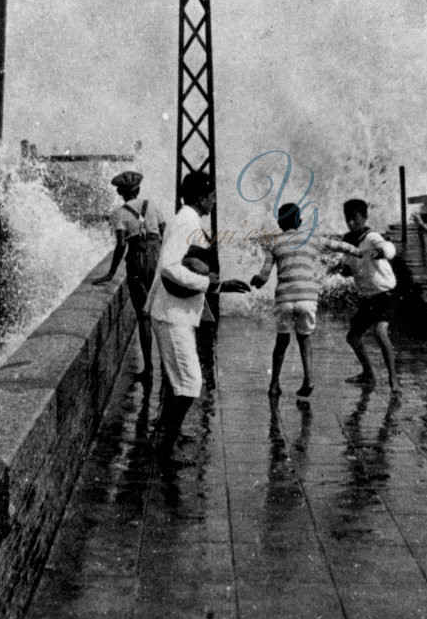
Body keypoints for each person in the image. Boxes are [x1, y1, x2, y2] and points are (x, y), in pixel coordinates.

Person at [146, 171, 248, 467]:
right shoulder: (187, 222)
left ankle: (164, 435)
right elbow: (167, 267)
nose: (215, 202)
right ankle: (165, 449)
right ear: (202, 197)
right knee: (190, 384)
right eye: (213, 196)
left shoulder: (185, 219)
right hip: (173, 315)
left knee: (180, 382)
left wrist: (149, 305)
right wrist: (214, 285)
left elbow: (164, 264)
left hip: (172, 312)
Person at [249, 202, 360, 400]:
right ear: (299, 222)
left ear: (279, 223)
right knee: (304, 338)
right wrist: (361, 253)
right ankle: (308, 379)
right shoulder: (311, 238)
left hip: (284, 298)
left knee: (282, 341)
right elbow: (340, 246)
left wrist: (257, 281)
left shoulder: (274, 242)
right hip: (307, 298)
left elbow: (264, 275)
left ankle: (274, 383)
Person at [91, 170, 166, 385]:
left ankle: (149, 371)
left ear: (120, 193)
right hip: (156, 258)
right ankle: (165, 368)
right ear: (139, 190)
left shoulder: (118, 213)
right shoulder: (152, 205)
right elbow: (164, 230)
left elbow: (122, 244)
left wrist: (111, 273)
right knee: (160, 313)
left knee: (144, 316)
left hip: (136, 263)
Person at [339, 197, 401, 394]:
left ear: (365, 217)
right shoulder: (347, 240)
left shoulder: (372, 237)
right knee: (353, 337)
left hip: (385, 294)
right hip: (367, 297)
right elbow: (349, 266)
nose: (351, 223)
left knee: (380, 332)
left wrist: (379, 253)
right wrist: (343, 269)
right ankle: (368, 374)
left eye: (355, 218)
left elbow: (389, 248)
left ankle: (393, 378)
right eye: (348, 218)